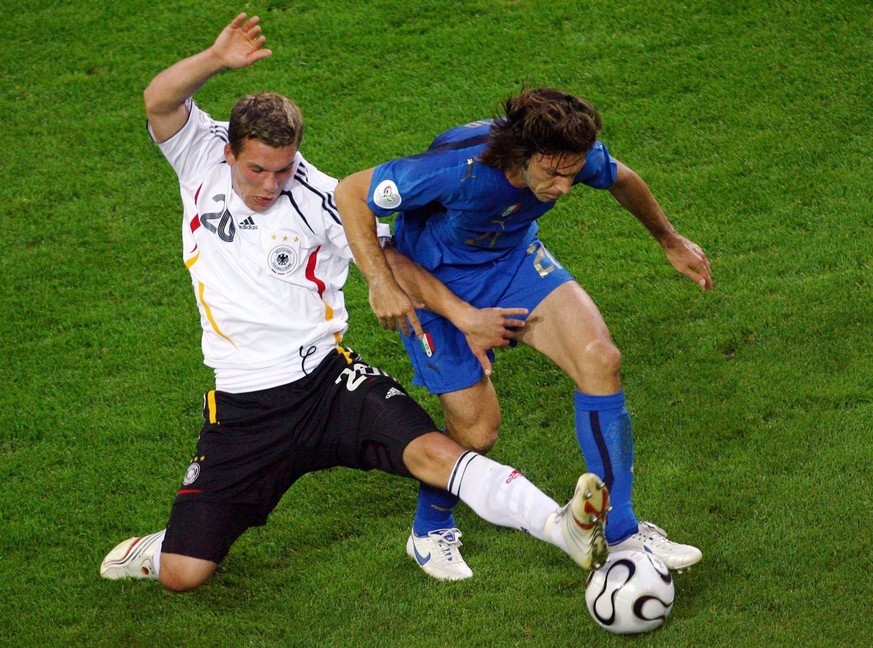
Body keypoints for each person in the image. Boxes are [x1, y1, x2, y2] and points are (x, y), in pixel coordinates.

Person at [99, 14, 613, 592]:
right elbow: (159, 100)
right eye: (257, 170)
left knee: (434, 452)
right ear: (228, 152)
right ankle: (162, 546)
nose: (271, 184)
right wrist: (216, 58)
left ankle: (556, 524)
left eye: (284, 168)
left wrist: (461, 316)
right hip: (245, 406)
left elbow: (394, 263)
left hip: (327, 382)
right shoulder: (197, 155)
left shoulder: (316, 198)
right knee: (182, 576)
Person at [335, 87, 712, 580]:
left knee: (600, 359)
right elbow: (350, 192)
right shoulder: (458, 171)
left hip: (512, 263)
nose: (564, 187)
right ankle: (429, 528)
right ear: (521, 153)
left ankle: (620, 533)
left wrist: (669, 238)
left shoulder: (568, 154)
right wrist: (381, 283)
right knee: (477, 431)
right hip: (433, 281)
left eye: (572, 174)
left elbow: (622, 178)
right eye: (553, 174)